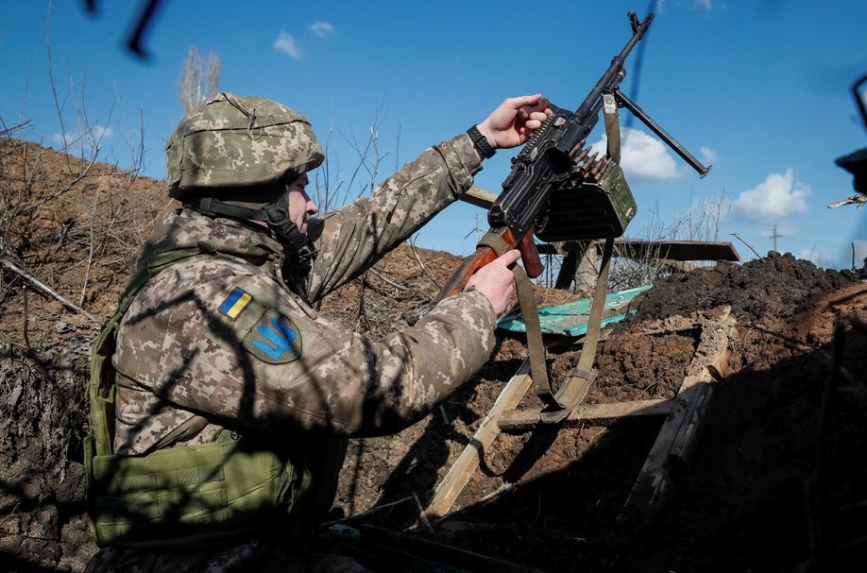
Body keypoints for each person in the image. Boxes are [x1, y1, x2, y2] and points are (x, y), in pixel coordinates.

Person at [83, 91, 550, 572]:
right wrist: (477, 308)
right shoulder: (205, 298)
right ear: (256, 194)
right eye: (301, 187)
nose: (312, 204)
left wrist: (481, 140)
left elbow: (373, 221)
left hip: (252, 542)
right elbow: (375, 391)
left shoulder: (242, 254)